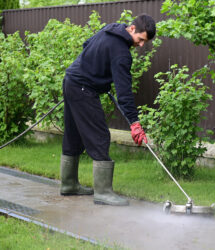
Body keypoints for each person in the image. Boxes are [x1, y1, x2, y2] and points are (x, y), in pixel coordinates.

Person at [59, 14, 156, 206]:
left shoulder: (109, 29)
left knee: (73, 134)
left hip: (71, 81)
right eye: (141, 40)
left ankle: (69, 184)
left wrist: (101, 81)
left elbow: (87, 45)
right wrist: (135, 123)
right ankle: (103, 193)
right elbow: (124, 92)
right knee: (100, 136)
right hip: (83, 88)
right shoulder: (122, 53)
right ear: (132, 29)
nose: (142, 45)